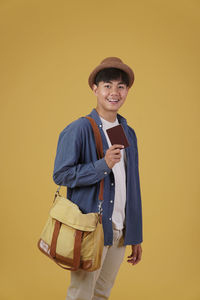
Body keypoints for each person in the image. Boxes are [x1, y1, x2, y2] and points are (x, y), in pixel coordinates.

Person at [53, 57, 143, 300]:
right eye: (107, 85)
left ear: (127, 91)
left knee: (101, 293)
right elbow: (61, 174)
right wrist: (102, 165)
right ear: (95, 89)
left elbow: (129, 185)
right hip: (91, 228)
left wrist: (134, 234)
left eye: (121, 87)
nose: (114, 92)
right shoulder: (81, 128)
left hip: (118, 230)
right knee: (81, 294)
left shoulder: (124, 131)